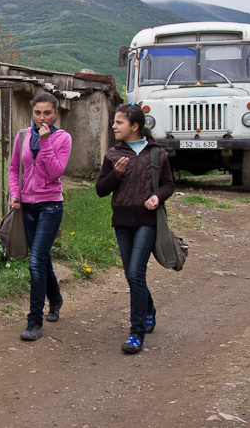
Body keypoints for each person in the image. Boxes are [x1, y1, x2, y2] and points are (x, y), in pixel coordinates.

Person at [96, 104, 174, 354]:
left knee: (136, 273)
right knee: (132, 275)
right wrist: (115, 175)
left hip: (147, 220)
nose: (114, 126)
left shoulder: (157, 153)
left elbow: (168, 184)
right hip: (122, 222)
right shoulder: (112, 155)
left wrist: (157, 198)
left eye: (119, 122)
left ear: (135, 126)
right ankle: (148, 308)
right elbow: (101, 190)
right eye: (115, 122)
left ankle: (136, 333)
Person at [8, 92, 72, 341]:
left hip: (50, 206)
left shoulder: (63, 138)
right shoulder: (22, 136)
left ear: (55, 113)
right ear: (32, 113)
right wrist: (15, 194)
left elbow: (56, 172)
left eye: (47, 113)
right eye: (37, 113)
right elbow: (15, 168)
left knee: (35, 261)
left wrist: (45, 143)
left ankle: (34, 321)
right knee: (41, 259)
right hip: (27, 206)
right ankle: (55, 299)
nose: (42, 117)